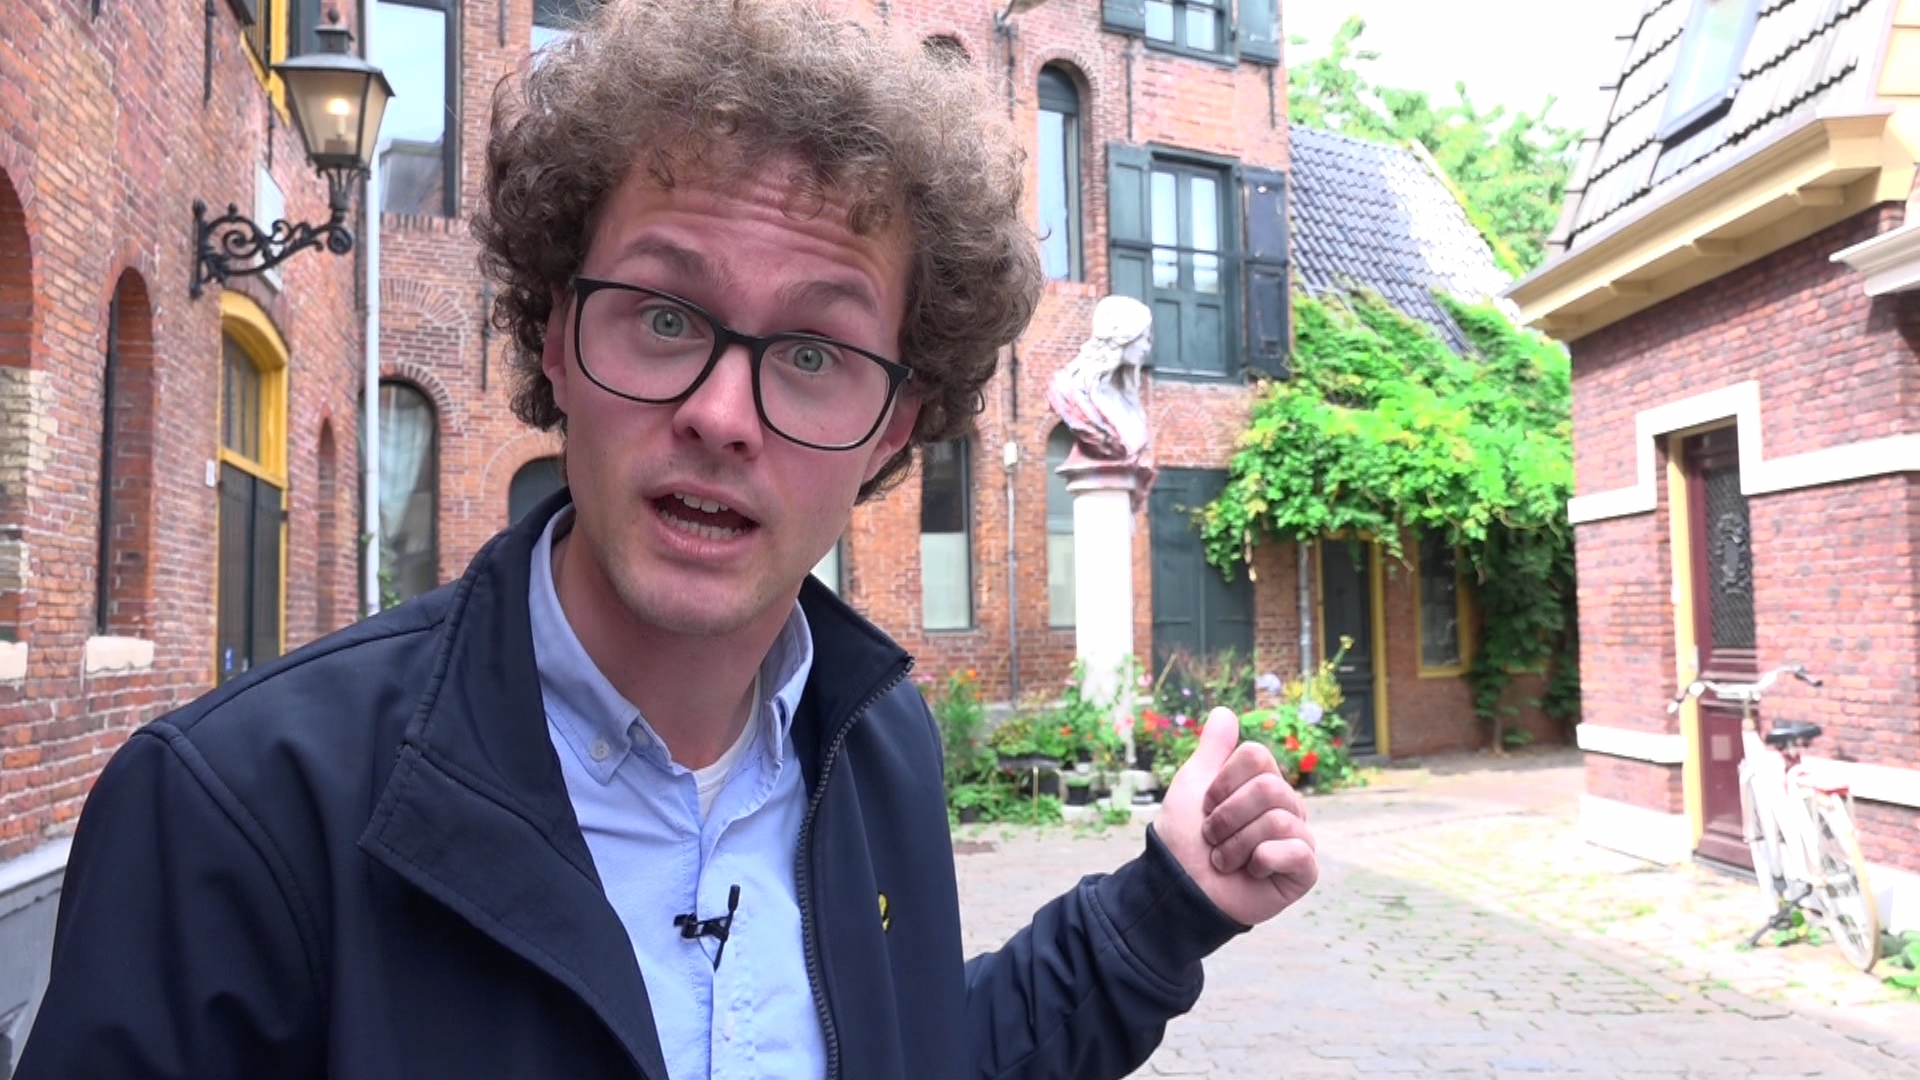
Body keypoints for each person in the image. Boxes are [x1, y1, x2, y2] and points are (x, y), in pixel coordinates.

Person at [17, 2, 1317, 1078]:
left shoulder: (880, 756)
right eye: (662, 315)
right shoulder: (234, 818)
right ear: (552, 339)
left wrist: (1163, 906)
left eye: (811, 352)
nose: (720, 414)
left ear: (892, 428)